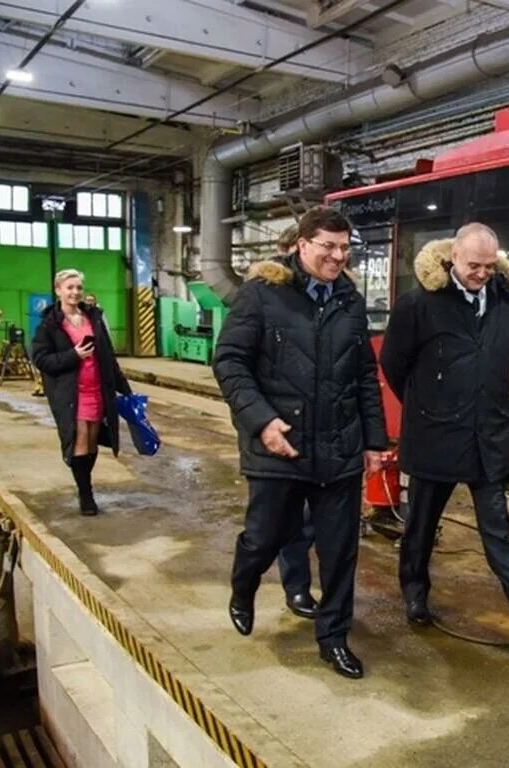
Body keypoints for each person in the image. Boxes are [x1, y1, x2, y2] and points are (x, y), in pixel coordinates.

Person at [213, 207, 387, 679]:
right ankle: (244, 584)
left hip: (339, 448)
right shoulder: (263, 294)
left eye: (344, 247)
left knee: (339, 550)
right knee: (264, 536)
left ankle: (333, 638)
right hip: (280, 446)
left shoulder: (349, 300)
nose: (337, 256)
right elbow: (229, 362)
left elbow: (364, 376)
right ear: (302, 245)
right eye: (328, 246)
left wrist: (375, 441)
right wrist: (262, 422)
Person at [379, 223, 509, 642]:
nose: (482, 273)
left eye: (489, 265)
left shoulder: (505, 306)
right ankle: (415, 594)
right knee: (421, 527)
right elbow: (394, 364)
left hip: (488, 438)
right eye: (473, 265)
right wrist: (428, 404)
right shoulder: (419, 304)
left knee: (498, 529)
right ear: (453, 258)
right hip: (435, 436)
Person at [32, 269, 132, 515]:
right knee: (79, 439)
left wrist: (124, 389)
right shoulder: (50, 324)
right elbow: (41, 359)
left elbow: (108, 355)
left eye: (78, 287)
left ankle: (85, 484)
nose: (75, 292)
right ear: (58, 290)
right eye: (69, 288)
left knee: (93, 441)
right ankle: (86, 494)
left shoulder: (93, 318)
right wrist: (73, 355)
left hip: (97, 389)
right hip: (71, 394)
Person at [270, 223, 320, 621]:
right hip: (286, 428)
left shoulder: (335, 296)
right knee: (295, 519)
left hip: (328, 431)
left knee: (323, 520)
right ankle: (298, 588)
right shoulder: (265, 299)